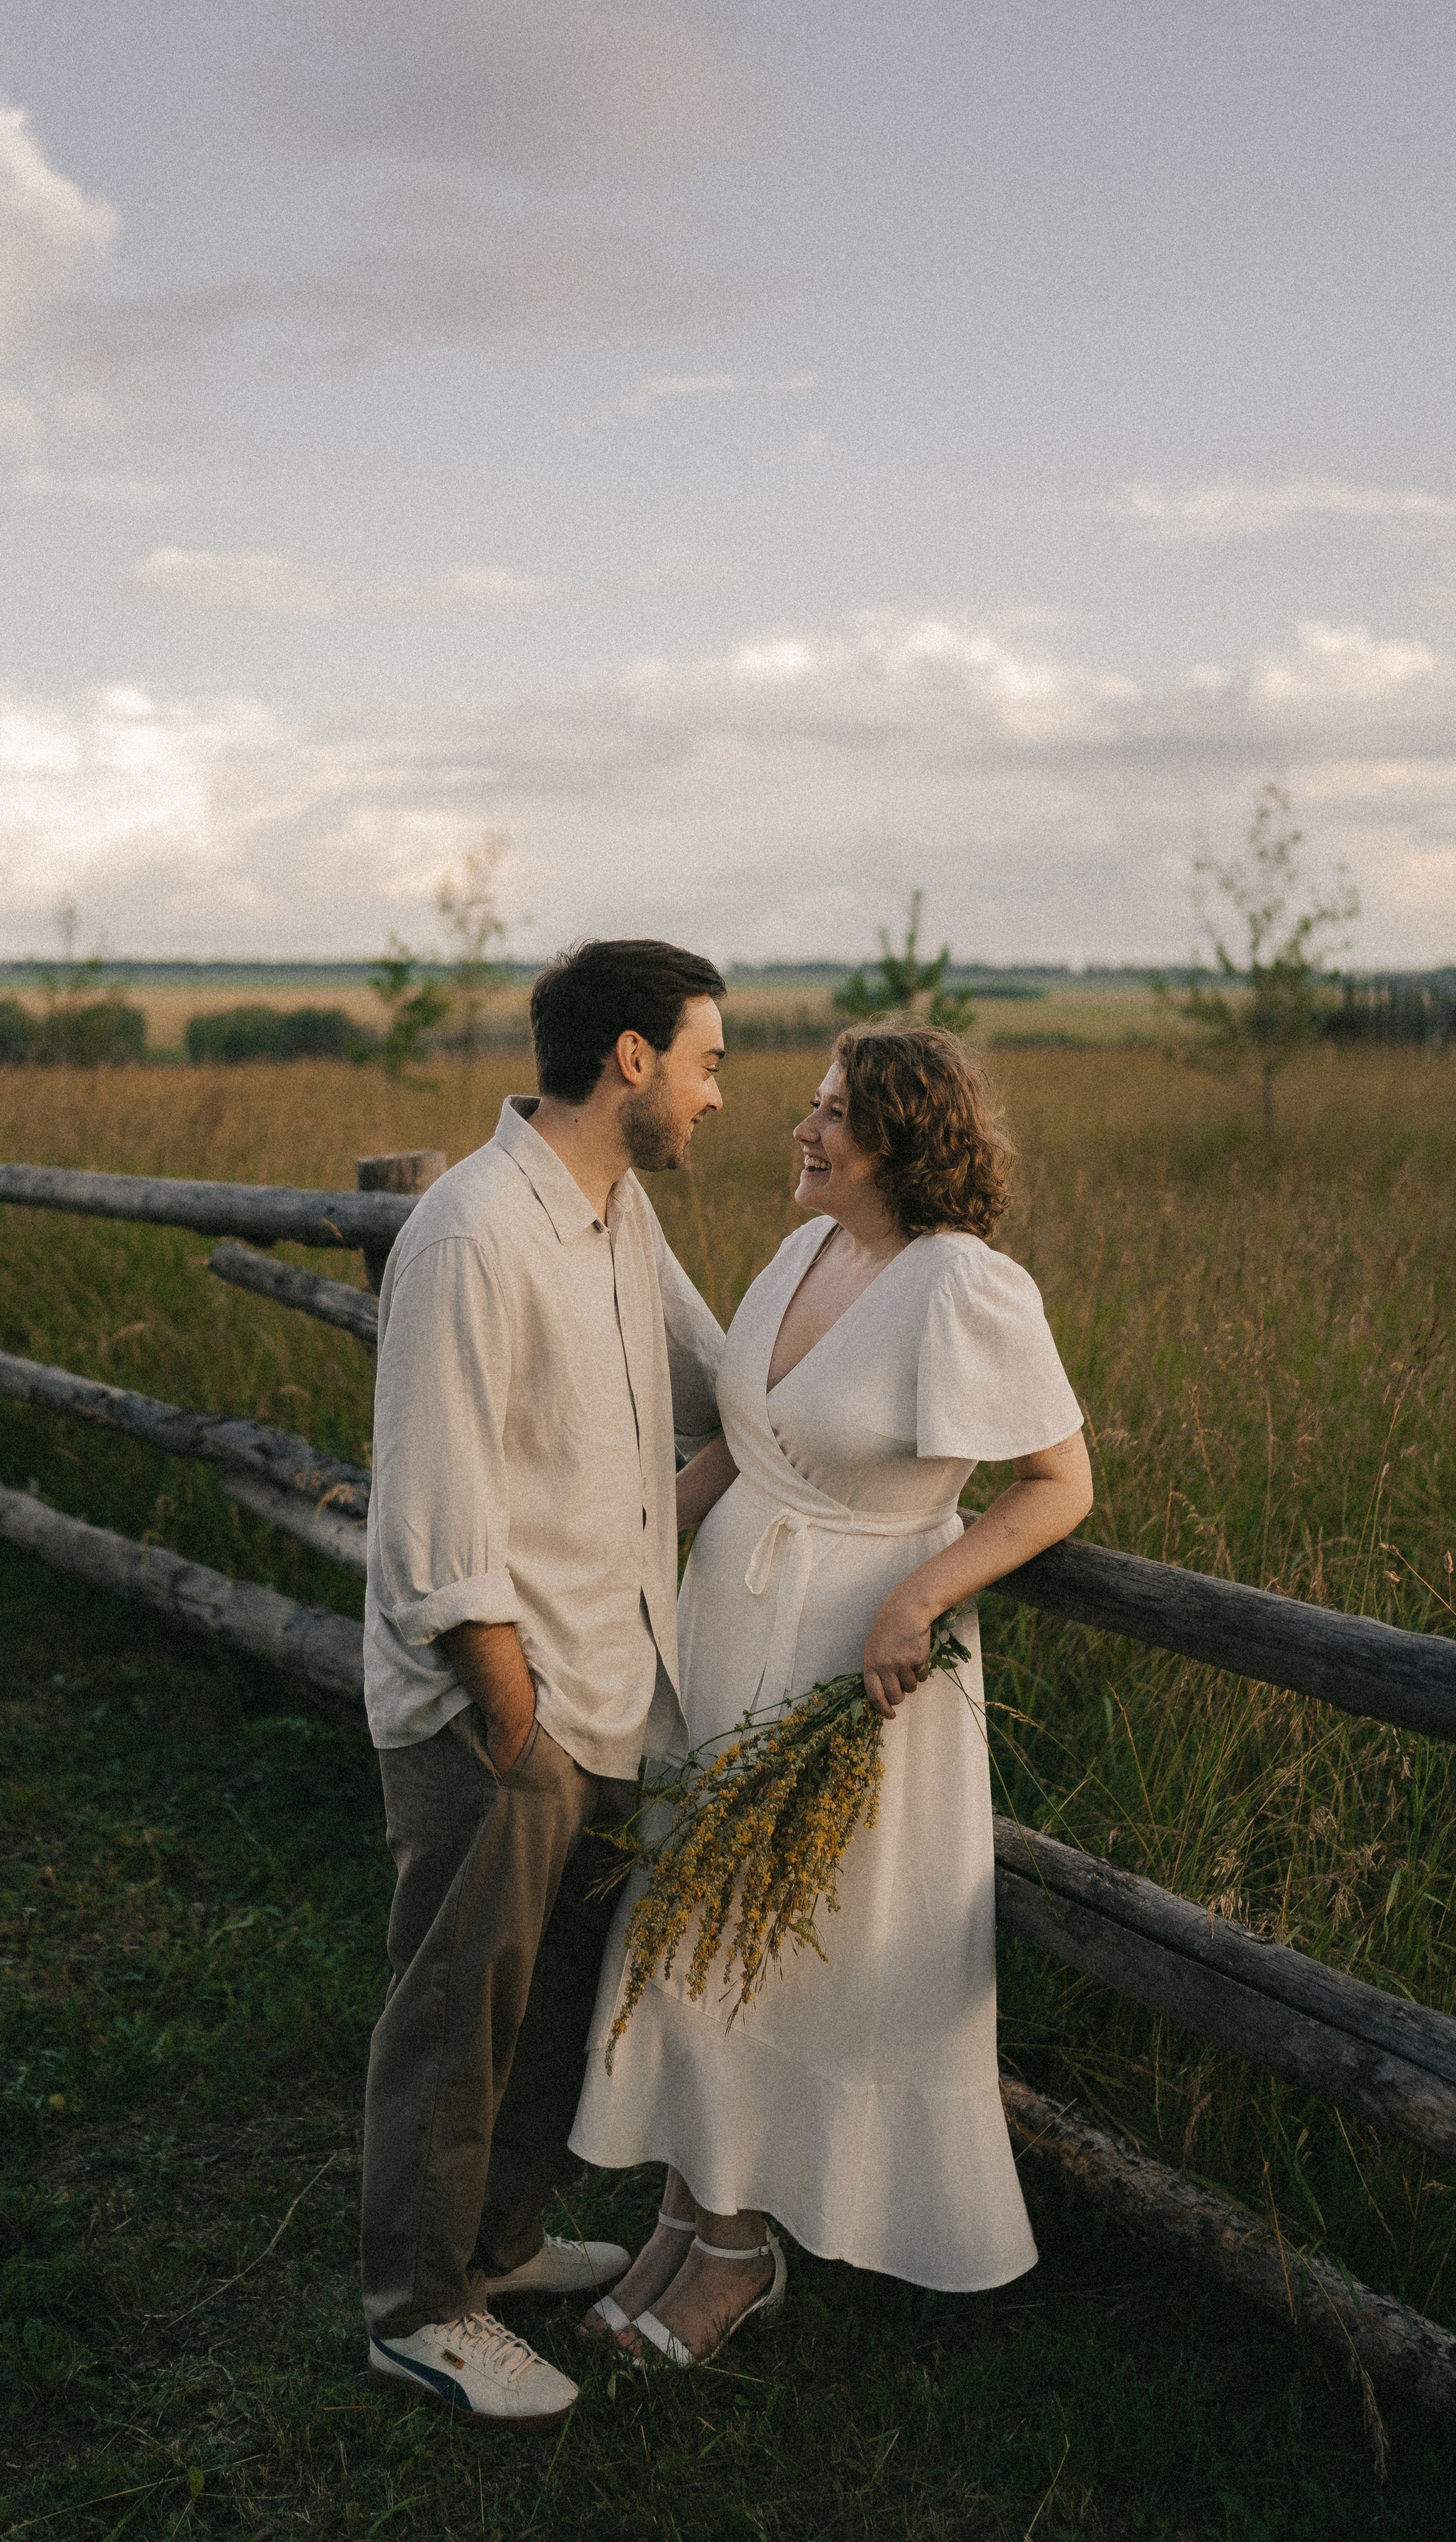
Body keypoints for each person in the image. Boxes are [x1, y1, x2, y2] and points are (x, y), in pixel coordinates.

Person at [571, 1023, 1093, 2364]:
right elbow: (746, 1454)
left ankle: (741, 2250)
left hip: (847, 1667)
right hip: (729, 1636)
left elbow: (1059, 1483)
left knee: (782, 1953)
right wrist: (615, 1564)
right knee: (695, 1926)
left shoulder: (963, 1287)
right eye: (811, 1105)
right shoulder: (802, 1251)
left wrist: (920, 1598)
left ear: (903, 1142)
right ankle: (690, 2212)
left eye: (834, 1115)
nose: (802, 1130)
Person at [361, 940, 729, 2427]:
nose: (717, 1095)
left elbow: (721, 1379)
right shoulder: (470, 1232)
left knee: (546, 2002)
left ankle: (500, 2249)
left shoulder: (616, 1215)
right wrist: (504, 1718)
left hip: (606, 1687)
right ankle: (416, 2308)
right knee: (459, 2015)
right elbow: (434, 1509)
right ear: (630, 1059)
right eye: (706, 1060)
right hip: (501, 1708)